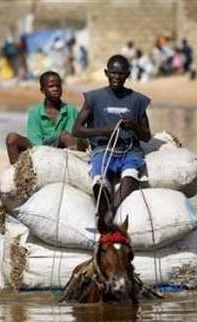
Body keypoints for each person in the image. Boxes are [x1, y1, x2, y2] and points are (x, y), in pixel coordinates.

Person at [72, 54, 151, 222]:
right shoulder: (94, 98)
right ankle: (102, 207)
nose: (116, 77)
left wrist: (133, 125)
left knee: (130, 176)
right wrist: (102, 131)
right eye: (113, 73)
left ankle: (111, 211)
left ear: (128, 75)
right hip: (103, 150)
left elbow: (146, 136)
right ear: (106, 73)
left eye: (121, 74)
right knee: (99, 182)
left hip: (130, 152)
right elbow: (76, 130)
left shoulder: (137, 100)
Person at [6, 71, 81, 164]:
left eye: (58, 86)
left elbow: (71, 136)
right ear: (42, 90)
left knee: (67, 137)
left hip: (62, 146)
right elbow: (35, 141)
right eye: (51, 86)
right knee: (11, 138)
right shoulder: (35, 112)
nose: (55, 89)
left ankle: (71, 170)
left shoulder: (71, 111)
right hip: (39, 147)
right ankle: (17, 174)